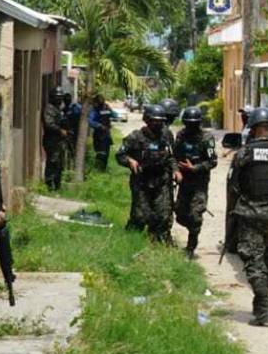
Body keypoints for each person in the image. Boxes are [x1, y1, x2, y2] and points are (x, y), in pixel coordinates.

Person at [227, 107, 268, 326]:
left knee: (253, 259)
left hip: (249, 214)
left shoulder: (244, 153)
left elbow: (234, 185)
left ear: (253, 129)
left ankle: (263, 308)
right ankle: (261, 303)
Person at [116, 103, 180, 243]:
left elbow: (171, 156)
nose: (158, 124)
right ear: (147, 120)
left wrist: (175, 171)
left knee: (163, 214)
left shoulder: (166, 135)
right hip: (141, 181)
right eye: (154, 121)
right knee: (140, 216)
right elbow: (120, 155)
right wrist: (129, 161)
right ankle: (131, 240)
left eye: (160, 121)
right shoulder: (135, 137)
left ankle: (160, 242)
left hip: (162, 180)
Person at [174, 106, 217, 259]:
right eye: (188, 123)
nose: (190, 127)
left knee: (195, 215)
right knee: (179, 214)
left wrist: (195, 168)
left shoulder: (207, 139)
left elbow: (212, 161)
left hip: (199, 183)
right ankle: (192, 228)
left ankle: (190, 247)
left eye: (194, 124)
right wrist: (176, 171)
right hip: (184, 182)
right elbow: (173, 157)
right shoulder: (180, 135)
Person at [41, 89, 69, 191]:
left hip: (59, 141)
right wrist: (60, 130)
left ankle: (57, 185)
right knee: (52, 162)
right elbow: (49, 124)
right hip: (51, 140)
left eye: (61, 97)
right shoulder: (49, 109)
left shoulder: (58, 109)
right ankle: (49, 186)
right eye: (58, 97)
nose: (60, 99)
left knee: (59, 164)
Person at [89, 95, 113, 171]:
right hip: (98, 135)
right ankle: (98, 170)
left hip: (106, 134)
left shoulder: (107, 108)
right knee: (100, 153)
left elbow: (113, 115)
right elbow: (90, 121)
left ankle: (103, 169)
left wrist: (111, 111)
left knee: (106, 154)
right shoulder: (94, 110)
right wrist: (99, 125)